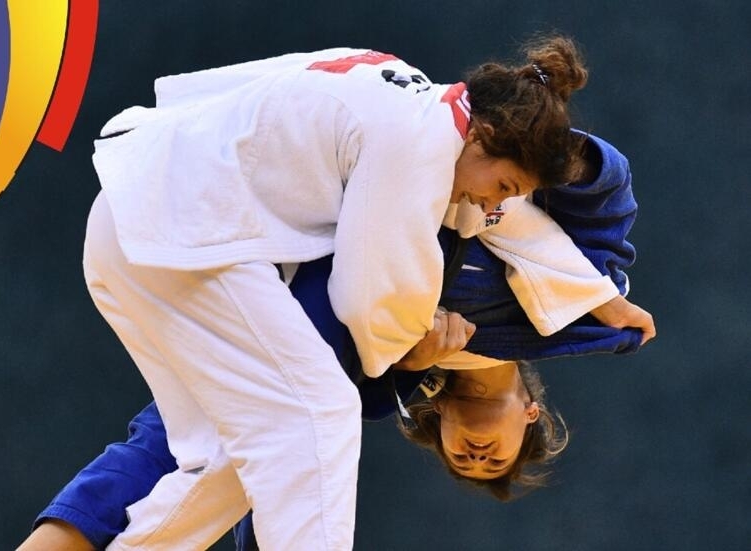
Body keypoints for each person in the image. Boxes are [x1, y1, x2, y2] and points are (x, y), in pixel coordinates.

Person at [70, 36, 652, 550]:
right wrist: (404, 357)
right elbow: (368, 301)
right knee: (320, 414)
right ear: (489, 136)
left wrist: (600, 298)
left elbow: (514, 222)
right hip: (185, 234)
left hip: (138, 220)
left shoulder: (419, 103)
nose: (495, 203)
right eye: (503, 185)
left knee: (225, 458)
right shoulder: (417, 147)